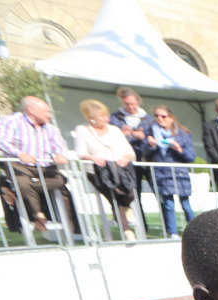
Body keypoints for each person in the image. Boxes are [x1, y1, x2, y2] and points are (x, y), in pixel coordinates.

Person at [0, 96, 71, 232]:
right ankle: (39, 216)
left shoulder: (51, 129)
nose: (49, 115)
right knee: (23, 184)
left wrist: (61, 155)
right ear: (31, 110)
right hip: (18, 164)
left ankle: (13, 191)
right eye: (46, 111)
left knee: (59, 180)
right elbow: (1, 140)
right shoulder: (12, 121)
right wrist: (19, 153)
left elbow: (60, 147)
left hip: (44, 165)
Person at [74, 98, 138, 240]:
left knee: (129, 194)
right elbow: (81, 153)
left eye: (106, 115)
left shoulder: (115, 130)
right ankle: (127, 231)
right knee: (115, 196)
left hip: (120, 171)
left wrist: (125, 158)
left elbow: (130, 152)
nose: (106, 118)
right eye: (102, 116)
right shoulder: (82, 130)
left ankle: (126, 208)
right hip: (99, 172)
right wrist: (93, 158)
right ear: (91, 118)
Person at [138, 105, 195, 237]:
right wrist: (151, 145)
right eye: (157, 116)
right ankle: (173, 232)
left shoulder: (183, 134)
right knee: (168, 205)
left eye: (163, 116)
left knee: (185, 204)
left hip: (179, 173)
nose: (160, 119)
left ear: (171, 118)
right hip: (161, 173)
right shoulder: (151, 133)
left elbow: (191, 157)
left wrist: (179, 150)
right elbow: (145, 152)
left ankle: (194, 230)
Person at [109, 87, 154, 209]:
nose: (130, 107)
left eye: (132, 104)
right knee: (134, 195)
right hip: (127, 161)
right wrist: (122, 135)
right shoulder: (114, 118)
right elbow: (109, 138)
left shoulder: (148, 119)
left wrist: (143, 137)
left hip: (146, 159)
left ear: (138, 102)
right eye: (127, 104)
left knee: (158, 192)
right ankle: (140, 220)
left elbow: (154, 139)